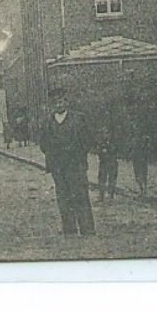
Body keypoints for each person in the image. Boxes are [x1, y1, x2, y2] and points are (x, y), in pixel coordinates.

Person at [38, 89, 95, 235]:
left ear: (66, 102)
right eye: (55, 102)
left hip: (75, 165)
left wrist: (78, 154)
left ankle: (87, 228)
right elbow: (43, 143)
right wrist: (53, 155)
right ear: (52, 105)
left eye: (61, 101)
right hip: (58, 166)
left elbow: (87, 140)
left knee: (80, 195)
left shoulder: (78, 119)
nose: (58, 104)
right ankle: (69, 228)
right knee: (63, 197)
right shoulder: (48, 122)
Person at [95, 126, 119, 203]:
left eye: (107, 133)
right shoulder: (101, 142)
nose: (105, 135)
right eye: (104, 133)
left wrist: (107, 148)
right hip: (103, 162)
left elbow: (114, 149)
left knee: (112, 179)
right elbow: (98, 151)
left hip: (112, 162)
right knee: (101, 178)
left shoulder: (113, 141)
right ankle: (101, 195)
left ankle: (111, 195)